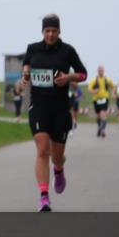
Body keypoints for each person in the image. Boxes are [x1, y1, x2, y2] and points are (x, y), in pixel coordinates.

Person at [18, 14, 87, 212]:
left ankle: (58, 169)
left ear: (59, 32)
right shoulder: (33, 48)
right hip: (38, 106)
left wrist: (69, 77)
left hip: (60, 109)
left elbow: (83, 73)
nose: (50, 34)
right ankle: (44, 196)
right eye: (47, 31)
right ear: (42, 31)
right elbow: (27, 64)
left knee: (57, 156)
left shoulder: (67, 51)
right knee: (41, 149)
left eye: (54, 31)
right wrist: (25, 75)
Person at [88, 66, 113, 138]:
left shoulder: (107, 79)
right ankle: (99, 128)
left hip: (105, 99)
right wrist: (94, 91)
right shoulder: (94, 80)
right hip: (96, 100)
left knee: (103, 114)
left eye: (101, 70)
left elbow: (113, 87)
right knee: (98, 116)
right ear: (97, 71)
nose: (100, 72)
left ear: (104, 71)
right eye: (99, 70)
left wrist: (113, 93)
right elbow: (89, 89)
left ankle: (103, 130)